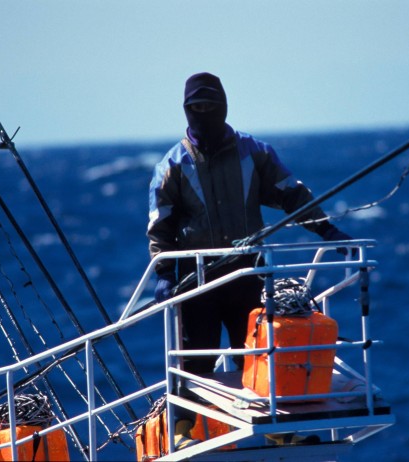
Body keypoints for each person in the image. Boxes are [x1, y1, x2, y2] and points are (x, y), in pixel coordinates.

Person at [147, 72, 352, 448]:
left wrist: (328, 231)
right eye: (196, 108)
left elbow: (293, 196)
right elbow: (160, 227)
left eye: (210, 106)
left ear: (224, 107)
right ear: (186, 111)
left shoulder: (253, 153)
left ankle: (278, 432)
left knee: (257, 354)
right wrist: (163, 274)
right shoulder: (172, 165)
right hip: (198, 279)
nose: (203, 113)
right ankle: (182, 435)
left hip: (247, 272)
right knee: (194, 357)